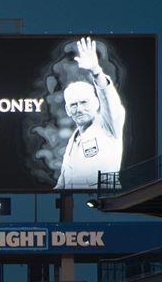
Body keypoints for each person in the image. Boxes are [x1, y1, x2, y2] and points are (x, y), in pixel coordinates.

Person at [54, 36, 126, 189]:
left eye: (84, 102)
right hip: (73, 206)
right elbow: (62, 184)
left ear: (96, 103)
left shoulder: (108, 125)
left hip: (104, 203)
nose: (79, 109)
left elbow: (108, 98)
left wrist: (96, 71)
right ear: (68, 110)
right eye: (73, 105)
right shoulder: (72, 142)